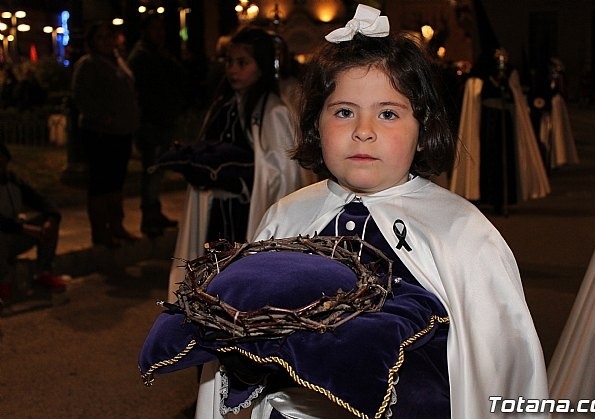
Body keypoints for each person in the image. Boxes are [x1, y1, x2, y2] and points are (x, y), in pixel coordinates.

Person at [139, 5, 549, 418]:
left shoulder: (463, 233)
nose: (363, 130)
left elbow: (502, 363)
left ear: (424, 130)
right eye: (344, 111)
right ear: (317, 125)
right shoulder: (289, 216)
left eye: (388, 113)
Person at [164, 26, 312, 300]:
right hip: (216, 210)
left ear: (262, 65)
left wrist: (240, 175)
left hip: (247, 214)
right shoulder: (223, 106)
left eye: (242, 62)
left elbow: (281, 173)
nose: (232, 69)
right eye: (229, 62)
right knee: (211, 276)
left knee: (240, 282)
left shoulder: (274, 112)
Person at [71, 21, 140, 248]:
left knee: (116, 182)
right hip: (99, 133)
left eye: (108, 37)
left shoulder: (118, 61)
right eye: (100, 37)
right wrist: (102, 116)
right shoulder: (88, 64)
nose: (106, 42)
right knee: (101, 183)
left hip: (120, 132)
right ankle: (100, 232)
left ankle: (116, 225)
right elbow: (81, 96)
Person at [127, 13, 187, 237]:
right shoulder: (142, 56)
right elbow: (147, 92)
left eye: (161, 29)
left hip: (161, 120)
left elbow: (178, 79)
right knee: (151, 170)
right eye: (155, 29)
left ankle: (155, 212)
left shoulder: (159, 54)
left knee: (157, 171)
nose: (160, 34)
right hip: (151, 123)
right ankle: (149, 216)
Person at [0, 142, 67, 303]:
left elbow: (42, 200)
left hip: (14, 237)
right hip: (5, 235)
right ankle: (3, 283)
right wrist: (24, 228)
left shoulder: (13, 181)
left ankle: (43, 272)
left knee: (48, 221)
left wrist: (51, 218)